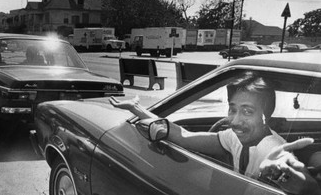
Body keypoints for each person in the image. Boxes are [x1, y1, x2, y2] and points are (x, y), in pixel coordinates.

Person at [110, 71, 285, 179]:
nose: (235, 121)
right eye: (232, 110)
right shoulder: (233, 138)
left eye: (248, 112)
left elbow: (301, 184)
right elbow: (184, 136)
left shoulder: (276, 151)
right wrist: (136, 108)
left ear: (266, 116)